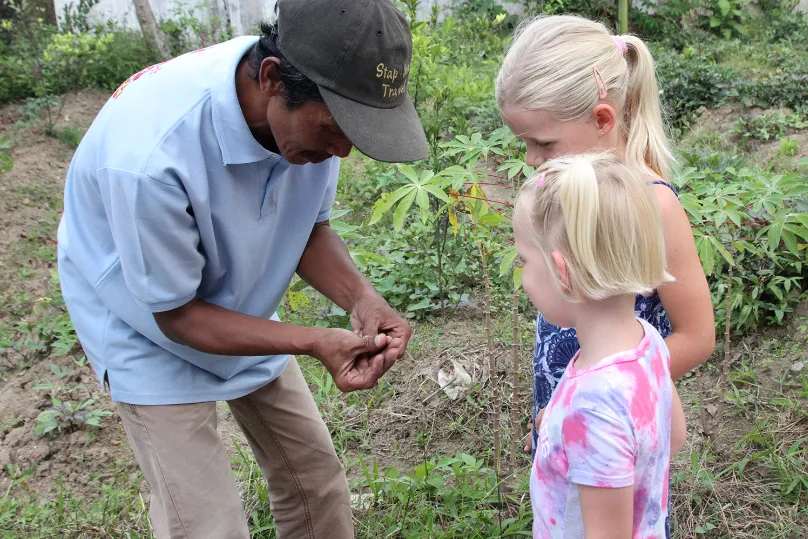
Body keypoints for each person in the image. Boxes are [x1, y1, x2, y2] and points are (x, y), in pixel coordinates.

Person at [56, 0, 428, 537]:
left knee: (315, 484)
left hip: (236, 298)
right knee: (206, 522)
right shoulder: (151, 154)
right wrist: (310, 340)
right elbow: (179, 316)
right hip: (144, 319)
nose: (343, 151)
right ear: (272, 79)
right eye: (334, 130)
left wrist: (361, 299)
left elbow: (308, 231)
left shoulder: (309, 127)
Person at [495, 15, 715, 457]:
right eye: (523, 142)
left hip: (612, 428)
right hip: (566, 414)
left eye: (544, 143)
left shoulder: (653, 205)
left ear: (602, 119)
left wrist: (590, 397)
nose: (532, 159)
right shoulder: (558, 187)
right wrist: (559, 406)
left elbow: (697, 336)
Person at [513, 152, 681, 537]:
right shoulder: (648, 339)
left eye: (524, 261)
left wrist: (580, 429)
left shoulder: (591, 408)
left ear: (562, 273)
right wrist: (558, 424)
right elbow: (673, 435)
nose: (522, 276)